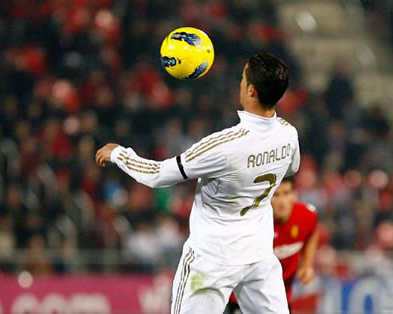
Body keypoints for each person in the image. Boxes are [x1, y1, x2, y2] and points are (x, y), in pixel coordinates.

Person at [96, 52, 299, 314]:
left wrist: (119, 154)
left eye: (241, 78)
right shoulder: (288, 134)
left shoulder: (225, 146)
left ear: (250, 90)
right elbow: (291, 168)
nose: (239, 83)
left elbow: (159, 174)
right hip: (258, 255)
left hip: (212, 260)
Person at [227, 177, 319, 312]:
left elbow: (312, 233)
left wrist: (307, 265)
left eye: (286, 193)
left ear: (295, 195)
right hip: (245, 299)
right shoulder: (254, 224)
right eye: (275, 195)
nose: (282, 202)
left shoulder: (307, 216)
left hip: (280, 300)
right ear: (266, 197)